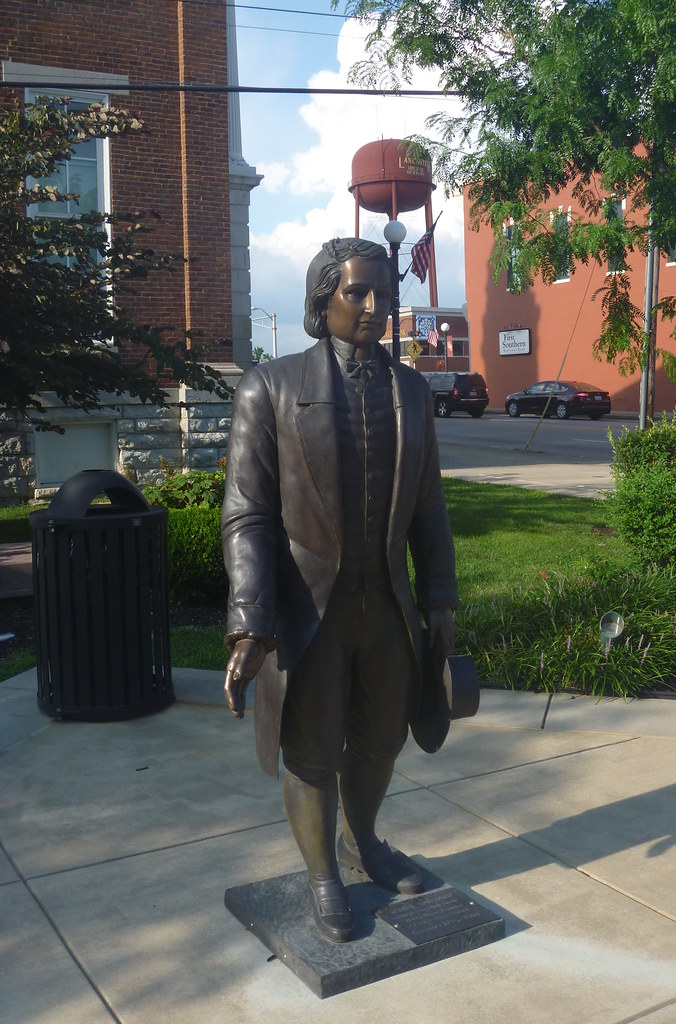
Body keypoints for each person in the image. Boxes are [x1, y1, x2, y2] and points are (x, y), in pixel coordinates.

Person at [222, 237, 458, 943]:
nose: (375, 307)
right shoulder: (270, 387)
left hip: (385, 601)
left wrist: (440, 601)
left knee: (383, 738)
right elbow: (247, 513)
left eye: (384, 294)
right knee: (313, 747)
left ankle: (365, 841)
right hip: (308, 608)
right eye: (358, 293)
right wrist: (248, 621)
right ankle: (323, 871)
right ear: (322, 299)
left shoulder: (412, 392)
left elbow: (429, 509)